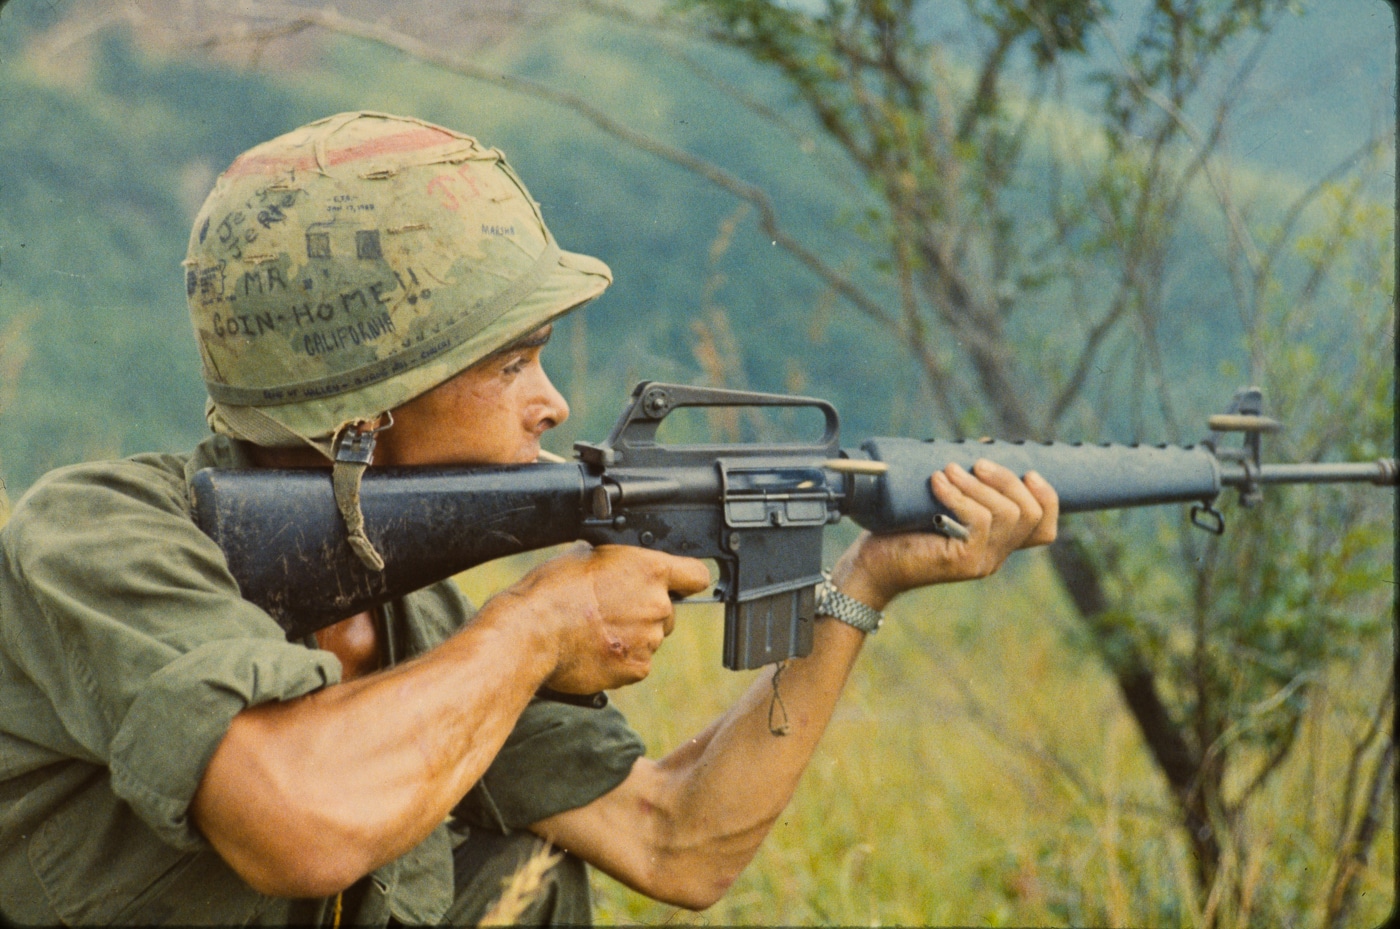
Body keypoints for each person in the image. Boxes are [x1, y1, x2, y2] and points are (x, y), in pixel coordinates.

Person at [0, 112, 1058, 926]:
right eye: (511, 363)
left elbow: (676, 840)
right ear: (364, 412)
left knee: (524, 872)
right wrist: (538, 626)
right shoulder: (99, 537)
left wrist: (862, 581)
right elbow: (296, 823)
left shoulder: (413, 612)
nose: (551, 403)